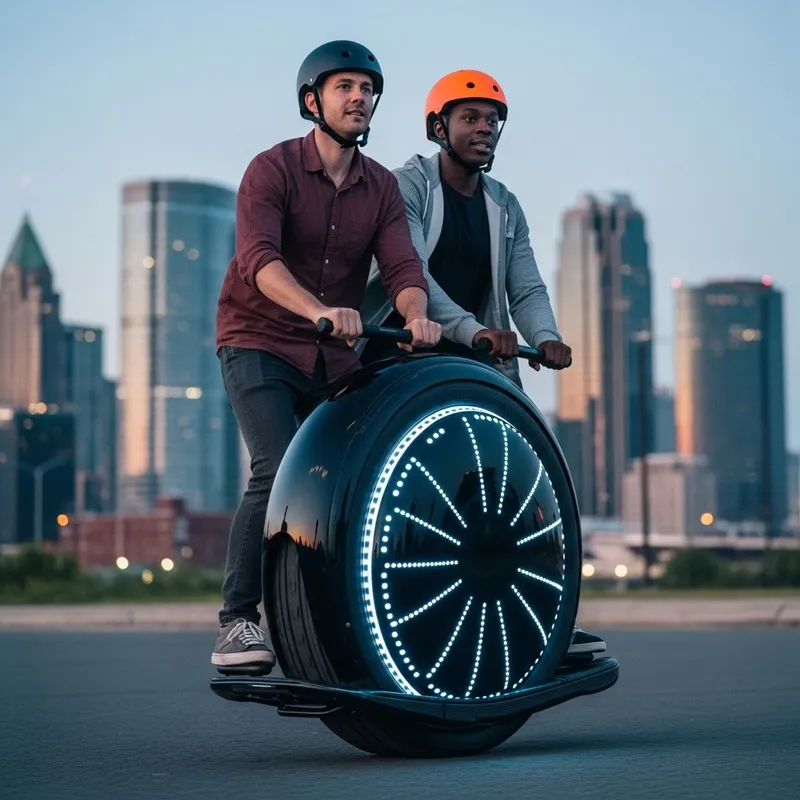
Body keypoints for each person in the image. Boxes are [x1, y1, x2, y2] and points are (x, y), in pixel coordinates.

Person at [358, 69, 606, 659]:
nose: (485, 129)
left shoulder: (504, 205)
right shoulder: (408, 185)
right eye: (471, 118)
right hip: (405, 350)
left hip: (480, 361)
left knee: (524, 483)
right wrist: (473, 332)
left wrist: (545, 336)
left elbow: (527, 288)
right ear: (438, 126)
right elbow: (409, 274)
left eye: (493, 121)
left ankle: (546, 622)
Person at [211, 40, 441, 673]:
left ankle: (336, 614)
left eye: (367, 89)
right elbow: (257, 261)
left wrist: (417, 315)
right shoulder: (272, 169)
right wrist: (316, 309)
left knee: (349, 478)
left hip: (333, 356)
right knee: (277, 465)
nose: (359, 98)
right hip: (258, 339)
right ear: (313, 100)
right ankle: (238, 621)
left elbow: (402, 266)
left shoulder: (382, 188)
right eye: (344, 88)